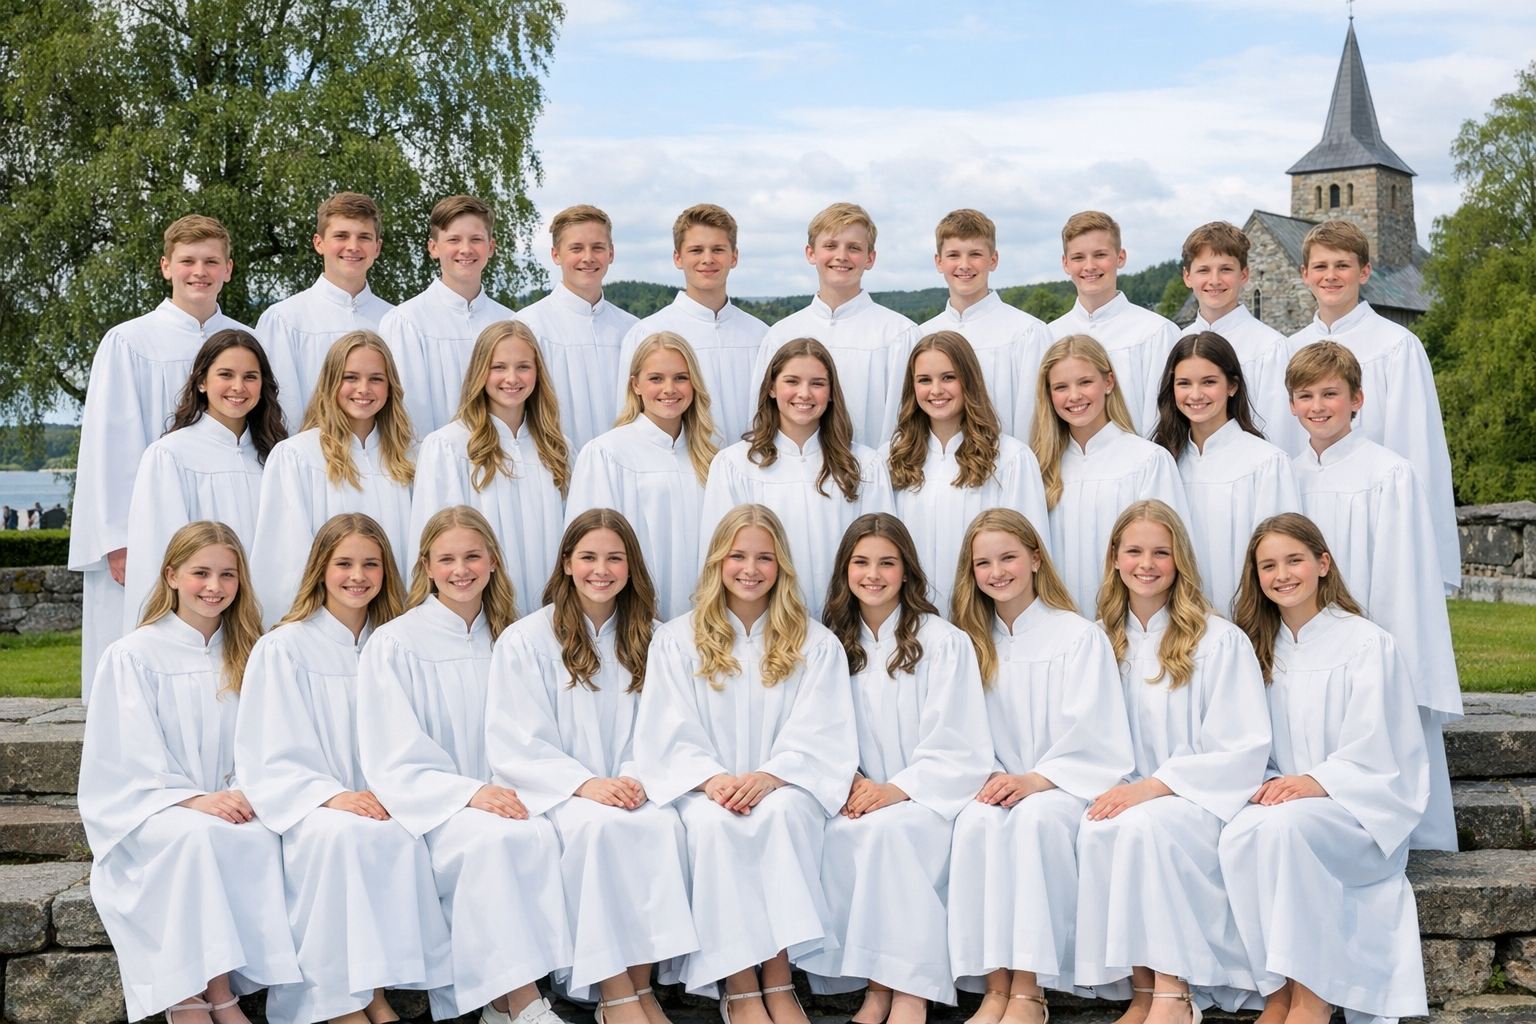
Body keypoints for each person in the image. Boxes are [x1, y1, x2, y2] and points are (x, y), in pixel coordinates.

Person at [633, 504, 856, 1019]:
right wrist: (712, 780)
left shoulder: (814, 642)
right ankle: (739, 985)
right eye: (737, 556)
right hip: (705, 789)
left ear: (782, 566)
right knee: (715, 827)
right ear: (717, 560)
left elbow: (823, 730)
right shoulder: (677, 639)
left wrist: (772, 776)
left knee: (782, 818)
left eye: (764, 557)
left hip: (784, 785)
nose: (750, 569)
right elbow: (666, 726)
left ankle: (778, 979)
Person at [356, 506, 572, 1024]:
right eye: (446, 559)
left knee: (543, 835)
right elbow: (394, 752)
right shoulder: (396, 643)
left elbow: (537, 731)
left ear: (493, 561)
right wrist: (469, 794)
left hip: (512, 794)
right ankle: (526, 1004)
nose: (460, 570)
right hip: (437, 807)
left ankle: (500, 1004)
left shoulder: (513, 638)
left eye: (472, 556)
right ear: (426, 567)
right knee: (491, 843)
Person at [78, 521, 300, 1024]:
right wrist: (192, 799)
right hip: (150, 811)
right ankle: (201, 996)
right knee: (199, 837)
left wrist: (243, 791)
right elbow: (126, 758)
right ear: (171, 575)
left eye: (227, 574)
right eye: (201, 572)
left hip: (233, 803)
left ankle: (213, 993)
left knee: (255, 837)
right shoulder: (134, 655)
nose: (214, 586)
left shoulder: (250, 651)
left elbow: (268, 740)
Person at [235, 514, 451, 1024]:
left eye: (371, 564)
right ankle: (336, 1004)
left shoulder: (397, 642)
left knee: (395, 837)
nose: (358, 576)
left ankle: (373, 995)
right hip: (310, 802)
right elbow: (270, 749)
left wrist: (396, 790)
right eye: (344, 564)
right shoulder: (285, 646)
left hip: (384, 796)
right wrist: (332, 796)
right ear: (320, 568)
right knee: (344, 838)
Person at [486, 509, 699, 1018]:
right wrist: (585, 784)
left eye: (614, 558)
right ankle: (615, 993)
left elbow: (669, 722)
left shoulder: (654, 636)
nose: (600, 570)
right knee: (598, 831)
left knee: (662, 827)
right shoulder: (527, 639)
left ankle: (642, 987)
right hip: (561, 791)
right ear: (566, 563)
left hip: (634, 784)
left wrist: (636, 776)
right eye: (588, 557)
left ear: (631, 566)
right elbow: (517, 737)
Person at [1223, 513, 1429, 1024]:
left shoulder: (1365, 643)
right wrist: (1268, 782)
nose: (1282, 575)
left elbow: (1381, 746)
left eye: (1294, 560)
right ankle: (1278, 990)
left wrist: (1316, 782)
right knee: (1240, 834)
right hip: (1281, 799)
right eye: (1268, 565)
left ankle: (1312, 997)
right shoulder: (1255, 647)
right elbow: (1244, 737)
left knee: (1286, 830)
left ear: (1323, 563)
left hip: (1356, 811)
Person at [1073, 500, 1271, 1019]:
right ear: (1114, 558)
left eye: (1161, 552)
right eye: (1134, 551)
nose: (1147, 564)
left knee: (1142, 827)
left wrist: (1149, 789)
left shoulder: (1217, 639)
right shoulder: (1098, 639)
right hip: (1126, 792)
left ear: (1180, 559)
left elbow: (1241, 746)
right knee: (1097, 829)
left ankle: (1173, 991)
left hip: (1197, 799)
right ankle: (1141, 990)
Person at [799, 514, 992, 1024]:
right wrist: (849, 779)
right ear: (844, 570)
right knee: (846, 835)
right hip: (857, 795)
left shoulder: (942, 641)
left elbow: (960, 740)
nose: (873, 574)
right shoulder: (830, 644)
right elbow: (815, 728)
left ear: (907, 571)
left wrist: (897, 789)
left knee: (892, 834)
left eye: (887, 563)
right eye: (861, 562)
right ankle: (878, 987)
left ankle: (908, 991)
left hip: (926, 798)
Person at [946, 509, 1133, 1016]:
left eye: (1008, 557)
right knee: (975, 824)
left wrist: (1035, 780)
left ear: (1034, 559)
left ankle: (1029, 990)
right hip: (995, 782)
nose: (996, 572)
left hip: (1062, 787)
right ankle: (995, 987)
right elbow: (959, 727)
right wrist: (988, 774)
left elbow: (1095, 733)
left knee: (1033, 822)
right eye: (983, 563)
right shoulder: (968, 640)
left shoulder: (1076, 636)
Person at [1285, 340, 1460, 851]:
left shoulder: (1388, 473)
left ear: (1357, 399)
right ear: (1291, 405)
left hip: (1370, 638)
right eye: (1305, 396)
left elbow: (1401, 580)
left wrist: (1383, 657)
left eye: (1330, 394)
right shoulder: (1286, 474)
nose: (1318, 406)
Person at [69, 214, 250, 699]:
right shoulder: (130, 341)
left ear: (228, 269)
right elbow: (110, 444)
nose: (199, 272)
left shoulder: (245, 340)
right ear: (166, 266)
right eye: (188, 261)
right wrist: (118, 539)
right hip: (150, 520)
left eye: (211, 261)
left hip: (230, 504)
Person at [1281, 221, 1459, 602]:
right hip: (1306, 504)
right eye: (1321, 266)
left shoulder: (1396, 346)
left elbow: (1417, 449)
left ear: (1364, 272)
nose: (1331, 276)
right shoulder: (1288, 348)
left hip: (1373, 510)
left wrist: (1424, 550)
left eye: (1342, 266)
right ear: (1305, 274)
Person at [702, 339, 893, 619]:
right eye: (792, 381)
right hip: (766, 623)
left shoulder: (865, 465)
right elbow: (720, 559)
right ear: (771, 388)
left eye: (817, 383)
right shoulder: (735, 464)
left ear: (831, 393)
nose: (804, 393)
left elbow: (884, 553)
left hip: (847, 622)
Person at [124, 330, 287, 630]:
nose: (238, 387)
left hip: (274, 616)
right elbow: (156, 555)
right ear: (201, 381)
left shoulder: (279, 457)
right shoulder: (171, 455)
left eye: (250, 377)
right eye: (226, 374)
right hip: (205, 619)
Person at [251, 331, 416, 628]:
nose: (363, 389)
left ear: (391, 387)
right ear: (330, 383)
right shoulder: (298, 456)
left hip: (399, 623)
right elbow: (284, 559)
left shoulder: (411, 459)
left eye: (376, 378)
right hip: (323, 628)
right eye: (350, 377)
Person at [881, 330, 1049, 611]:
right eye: (924, 380)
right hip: (911, 616)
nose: (936, 390)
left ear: (969, 380)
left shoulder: (1010, 458)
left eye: (949, 377)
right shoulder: (889, 459)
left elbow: (1031, 554)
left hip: (986, 615)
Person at [410, 319, 568, 615]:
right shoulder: (449, 446)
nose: (512, 378)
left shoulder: (559, 449)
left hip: (550, 613)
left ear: (538, 372)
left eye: (523, 366)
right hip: (480, 612)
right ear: (480, 371)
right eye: (498, 367)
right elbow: (434, 545)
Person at [1031, 334, 1186, 617]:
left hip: (1129, 622)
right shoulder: (1040, 468)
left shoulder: (1147, 461)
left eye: (1085, 382)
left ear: (1108, 382)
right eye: (1061, 387)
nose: (1074, 396)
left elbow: (1169, 554)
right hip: (1058, 622)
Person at [566, 332, 717, 621]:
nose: (669, 389)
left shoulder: (711, 459)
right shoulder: (607, 453)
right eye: (656, 378)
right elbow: (590, 548)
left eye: (681, 378)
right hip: (633, 617)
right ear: (635, 385)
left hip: (702, 617)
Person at [1151, 332, 1299, 617]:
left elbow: (1280, 559)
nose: (1196, 395)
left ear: (1232, 386)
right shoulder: (1163, 464)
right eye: (1184, 383)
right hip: (1176, 623)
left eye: (1209, 382)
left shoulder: (1266, 464)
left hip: (1247, 621)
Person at [750, 203, 919, 446]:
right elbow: (762, 420)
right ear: (811, 253)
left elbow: (907, 425)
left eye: (854, 248)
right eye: (830, 246)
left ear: (870, 258)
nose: (841, 256)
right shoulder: (781, 335)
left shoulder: (898, 335)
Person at [614, 205, 768, 445]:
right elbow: (630, 420)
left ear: (734, 257)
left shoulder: (760, 335)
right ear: (678, 258)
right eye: (696, 250)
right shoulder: (649, 333)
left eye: (718, 249)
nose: (707, 259)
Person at [381, 196, 516, 435]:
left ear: (491, 247)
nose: (466, 249)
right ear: (434, 248)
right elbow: (409, 415)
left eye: (476, 239)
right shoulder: (408, 322)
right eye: (454, 240)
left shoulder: (511, 323)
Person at [258, 192, 393, 430]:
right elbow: (280, 409)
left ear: (377, 247)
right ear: (318, 243)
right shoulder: (285, 319)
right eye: (341, 236)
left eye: (364, 237)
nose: (353, 247)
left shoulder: (395, 320)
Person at [918, 210, 1054, 438]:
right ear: (938, 262)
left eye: (975, 254)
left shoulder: (1026, 332)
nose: (964, 265)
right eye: (953, 255)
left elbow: (1035, 422)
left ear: (993, 260)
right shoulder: (922, 335)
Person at [514, 205, 639, 450]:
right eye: (576, 248)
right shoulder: (528, 326)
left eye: (598, 247)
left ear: (611, 253)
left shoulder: (632, 329)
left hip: (624, 462)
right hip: (553, 462)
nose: (588, 257)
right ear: (556, 254)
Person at [1048, 212, 1180, 435]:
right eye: (1078, 257)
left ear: (1120, 257)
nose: (1090, 266)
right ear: (1065, 263)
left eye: (1100, 255)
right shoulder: (1049, 336)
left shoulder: (1156, 333)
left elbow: (1163, 422)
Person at [1178, 223, 1291, 436]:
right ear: (1187, 277)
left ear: (1244, 275)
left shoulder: (1270, 348)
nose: (1214, 280)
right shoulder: (1177, 342)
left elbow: (1278, 431)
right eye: (1203, 270)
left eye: (1226, 269)